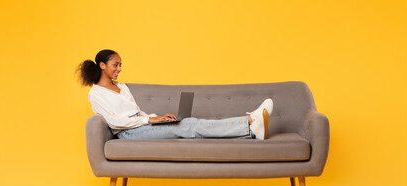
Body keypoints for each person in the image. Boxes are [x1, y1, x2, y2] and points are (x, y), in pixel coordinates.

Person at [75, 49, 273, 140]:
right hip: (129, 133)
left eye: (120, 65)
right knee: (189, 125)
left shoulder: (122, 87)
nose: (119, 69)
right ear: (102, 66)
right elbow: (116, 123)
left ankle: (251, 132)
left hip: (142, 124)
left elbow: (137, 111)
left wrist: (157, 118)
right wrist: (151, 121)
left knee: (187, 124)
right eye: (115, 65)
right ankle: (249, 120)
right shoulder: (96, 94)